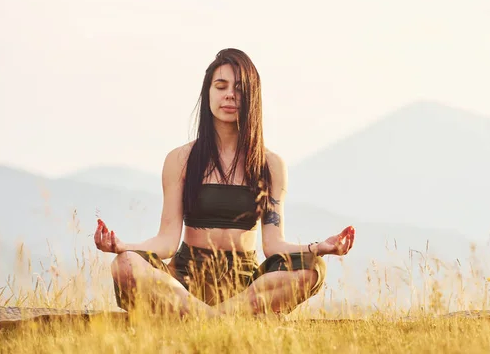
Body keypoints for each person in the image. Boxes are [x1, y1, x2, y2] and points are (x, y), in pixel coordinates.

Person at [94, 48, 355, 318]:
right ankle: (217, 320)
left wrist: (318, 248)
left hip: (245, 286)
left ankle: (199, 319)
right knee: (124, 265)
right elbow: (167, 241)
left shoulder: (270, 165)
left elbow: (274, 246)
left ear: (252, 97)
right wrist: (123, 247)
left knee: (313, 269)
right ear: (208, 93)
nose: (230, 94)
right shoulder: (181, 159)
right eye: (221, 86)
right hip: (185, 280)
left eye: (240, 88)